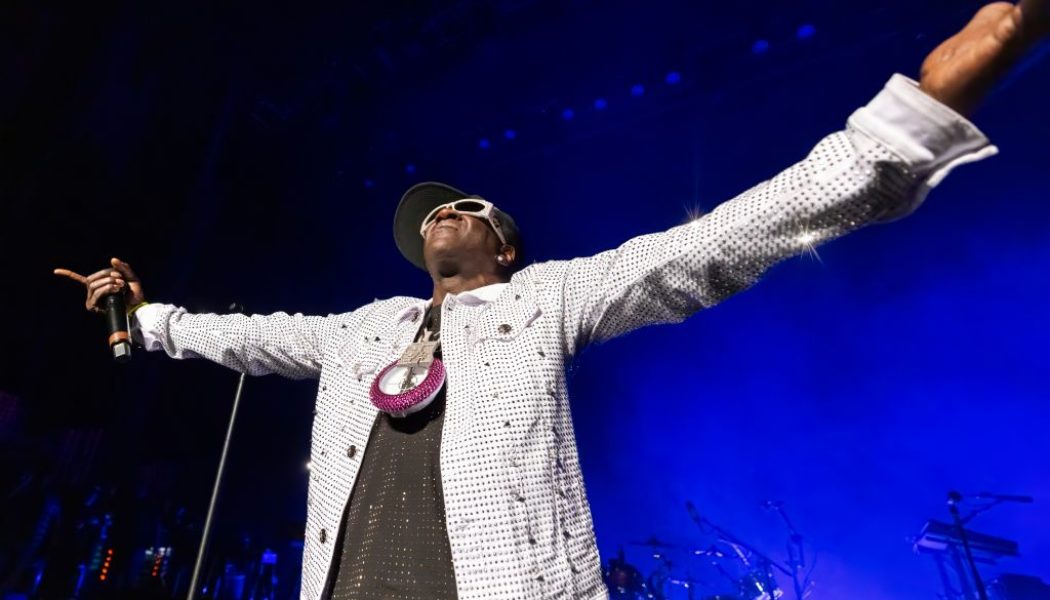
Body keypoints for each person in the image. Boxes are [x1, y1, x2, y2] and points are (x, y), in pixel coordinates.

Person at [55, 3, 1050, 599]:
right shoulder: (364, 330)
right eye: (432, 213)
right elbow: (249, 336)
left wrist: (904, 131)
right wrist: (144, 320)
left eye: (466, 207)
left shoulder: (547, 300)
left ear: (505, 246)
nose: (444, 214)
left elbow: (714, 244)